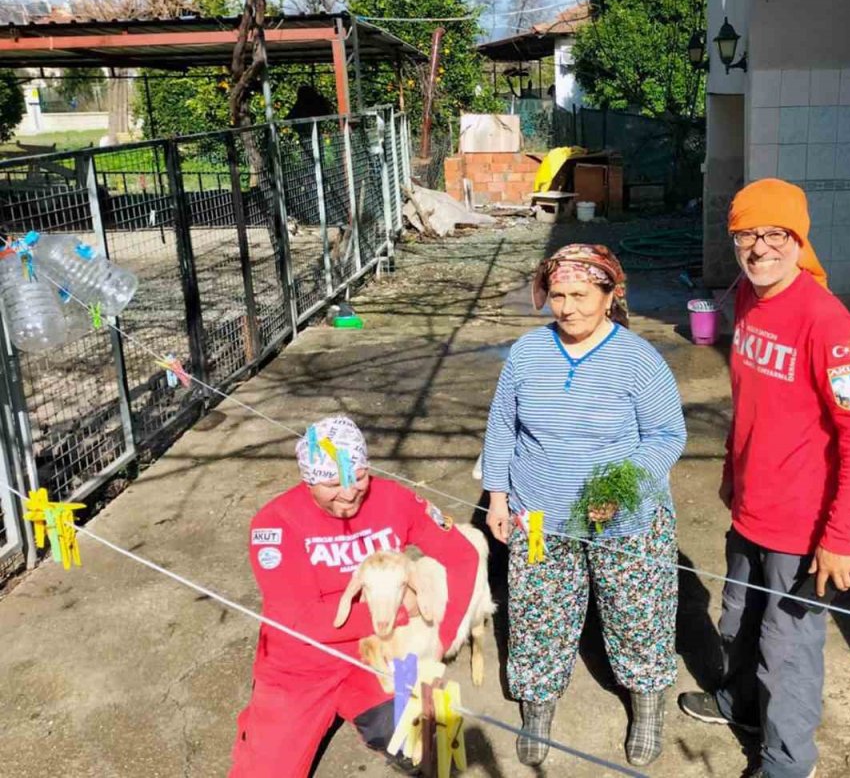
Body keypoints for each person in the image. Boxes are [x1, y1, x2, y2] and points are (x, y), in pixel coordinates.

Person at [677, 178, 850, 778]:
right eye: (748, 234)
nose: (760, 247)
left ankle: (788, 765)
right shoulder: (746, 295)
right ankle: (741, 706)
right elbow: (750, 400)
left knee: (787, 651)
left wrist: (842, 535)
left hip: (802, 524)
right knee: (738, 617)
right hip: (752, 505)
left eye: (775, 234)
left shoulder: (828, 324)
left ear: (798, 239)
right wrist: (730, 468)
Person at [482, 244, 687, 767]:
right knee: (536, 613)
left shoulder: (638, 359)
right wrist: (499, 499)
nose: (568, 307)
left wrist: (615, 491)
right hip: (538, 515)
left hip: (626, 521)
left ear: (609, 295)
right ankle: (538, 704)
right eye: (557, 295)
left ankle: (646, 705)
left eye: (580, 294)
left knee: (638, 614)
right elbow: (503, 427)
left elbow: (666, 437)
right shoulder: (527, 353)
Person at [228, 415, 481, 777]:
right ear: (308, 479)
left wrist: (443, 638)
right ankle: (265, 727)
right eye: (332, 483)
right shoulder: (275, 522)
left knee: (437, 738)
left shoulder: (394, 498)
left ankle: (392, 731)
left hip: (378, 652)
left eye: (359, 477)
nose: (349, 493)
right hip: (300, 664)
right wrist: (401, 612)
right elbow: (302, 620)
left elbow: (462, 555)